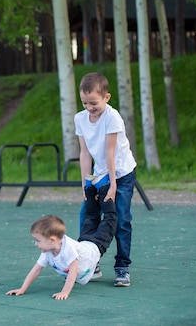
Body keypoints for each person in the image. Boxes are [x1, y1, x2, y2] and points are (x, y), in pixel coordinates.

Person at [74, 72, 137, 287]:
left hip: (121, 173)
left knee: (120, 218)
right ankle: (91, 263)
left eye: (94, 103)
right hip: (99, 173)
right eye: (85, 103)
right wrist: (85, 184)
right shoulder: (80, 118)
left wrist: (113, 186)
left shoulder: (112, 117)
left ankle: (122, 267)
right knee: (87, 215)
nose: (89, 107)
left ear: (106, 98)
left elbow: (110, 152)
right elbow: (84, 153)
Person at [5, 185, 117, 300]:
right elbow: (36, 270)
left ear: (52, 240)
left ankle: (104, 191)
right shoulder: (48, 250)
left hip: (97, 246)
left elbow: (73, 270)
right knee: (91, 218)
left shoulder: (67, 249)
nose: (36, 244)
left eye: (38, 240)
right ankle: (91, 190)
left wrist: (65, 292)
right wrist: (22, 289)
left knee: (109, 220)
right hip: (84, 241)